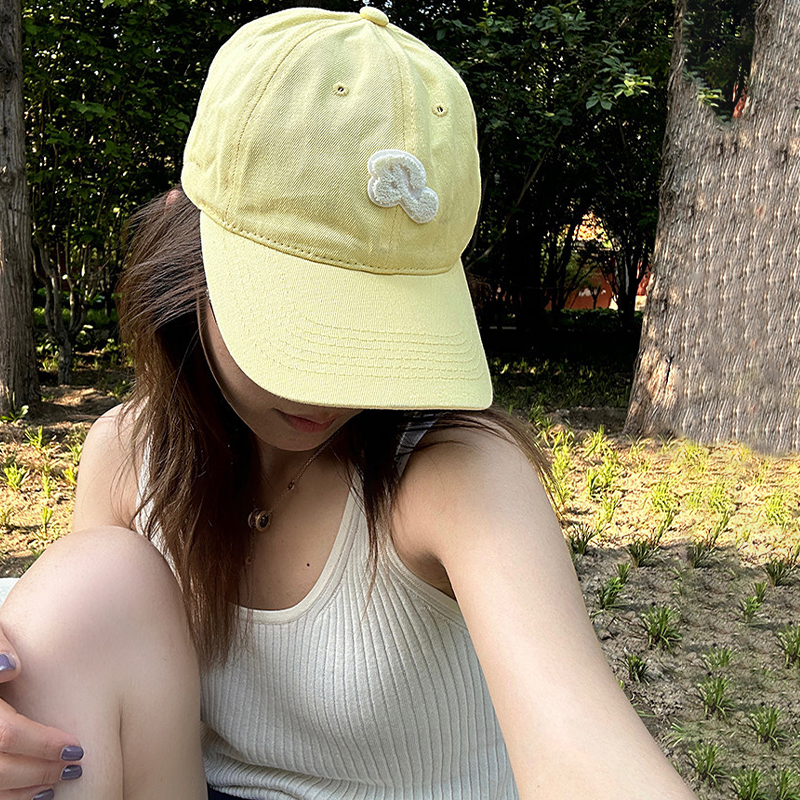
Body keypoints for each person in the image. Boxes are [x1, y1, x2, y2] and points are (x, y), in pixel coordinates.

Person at [0, 7, 699, 800]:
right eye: (302, 320)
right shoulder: (130, 456)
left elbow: (581, 745)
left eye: (378, 328)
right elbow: (89, 671)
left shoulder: (457, 475)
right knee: (85, 587)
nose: (335, 388)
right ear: (190, 256)